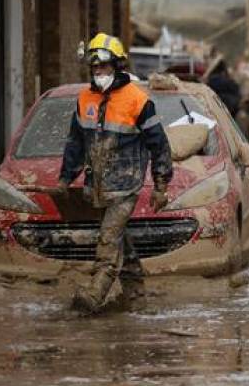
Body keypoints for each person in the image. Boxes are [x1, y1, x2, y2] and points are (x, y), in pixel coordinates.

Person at [60, 33, 173, 314]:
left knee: (108, 239)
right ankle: (135, 295)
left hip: (125, 186)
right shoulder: (84, 98)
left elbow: (159, 144)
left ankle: (92, 296)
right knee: (121, 238)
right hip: (96, 186)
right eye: (95, 67)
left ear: (118, 66)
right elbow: (76, 143)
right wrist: (65, 178)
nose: (99, 72)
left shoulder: (137, 100)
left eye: (104, 67)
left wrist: (161, 186)